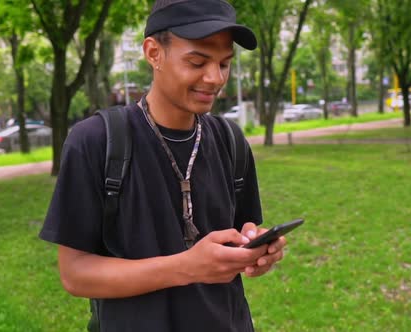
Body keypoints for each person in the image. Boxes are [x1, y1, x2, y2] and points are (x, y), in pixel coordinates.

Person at [39, 0, 288, 331]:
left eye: (225, 64)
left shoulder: (230, 140)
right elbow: (75, 274)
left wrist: (256, 248)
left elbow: (243, 233)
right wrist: (187, 266)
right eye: (197, 62)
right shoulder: (95, 142)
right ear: (153, 53)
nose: (214, 78)